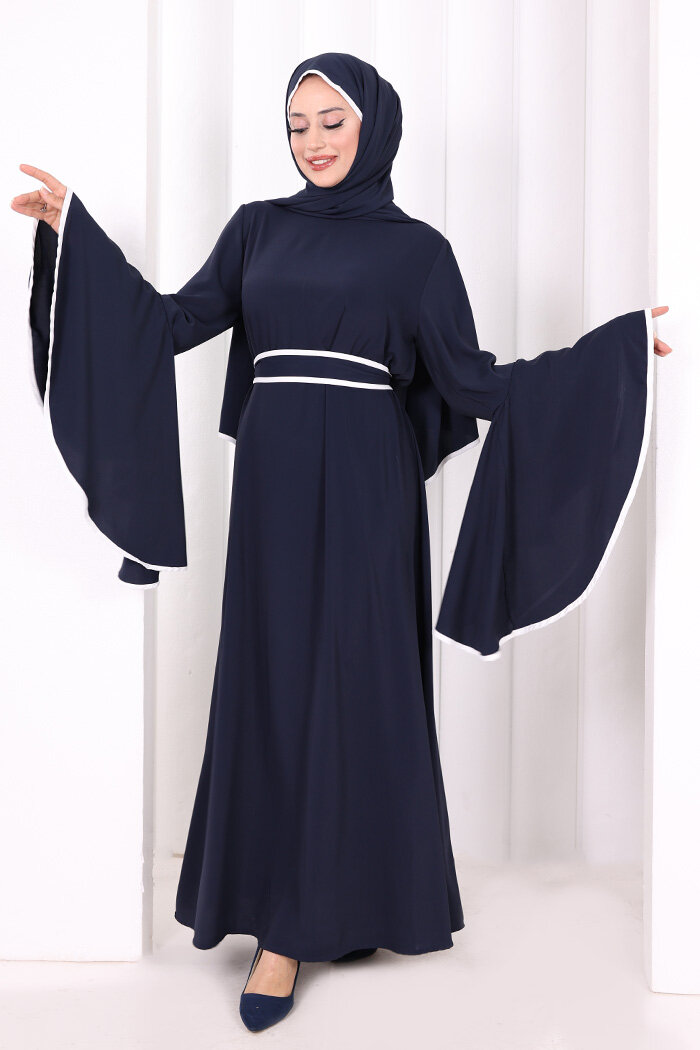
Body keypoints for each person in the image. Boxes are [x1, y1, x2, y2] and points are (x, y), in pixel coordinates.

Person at [12, 51, 672, 1035]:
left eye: (332, 121)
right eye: (297, 125)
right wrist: (79, 237)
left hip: (370, 488)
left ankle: (334, 906)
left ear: (374, 124)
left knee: (357, 678)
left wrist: (612, 353)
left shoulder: (419, 254)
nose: (313, 141)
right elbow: (170, 323)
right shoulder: (256, 229)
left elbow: (474, 383)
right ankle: (282, 919)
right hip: (272, 482)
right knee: (277, 679)